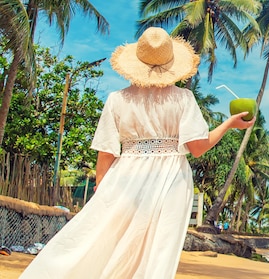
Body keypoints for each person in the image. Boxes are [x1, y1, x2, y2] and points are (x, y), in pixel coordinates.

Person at [20, 27, 255, 278]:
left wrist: (102, 186)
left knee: (104, 238)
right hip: (172, 177)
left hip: (125, 174)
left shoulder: (116, 99)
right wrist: (229, 123)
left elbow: (106, 151)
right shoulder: (183, 98)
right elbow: (198, 148)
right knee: (158, 248)